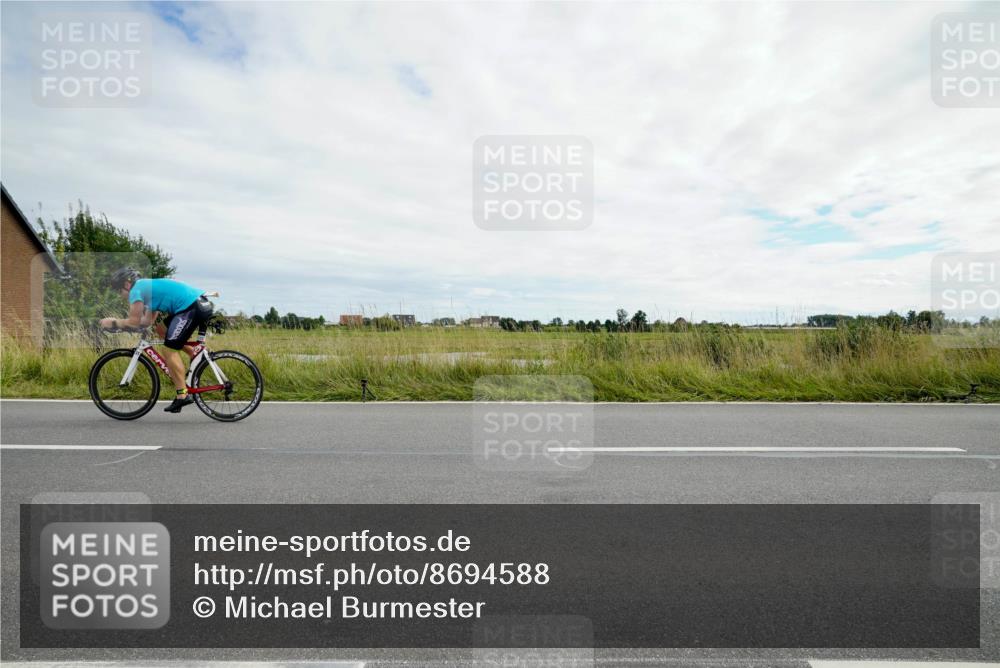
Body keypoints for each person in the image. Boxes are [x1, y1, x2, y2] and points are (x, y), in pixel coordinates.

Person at [100, 268, 214, 413]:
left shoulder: (136, 290)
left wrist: (114, 322)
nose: (120, 295)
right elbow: (147, 321)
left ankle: (182, 395)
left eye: (119, 290)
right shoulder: (146, 289)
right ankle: (193, 353)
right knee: (161, 330)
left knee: (168, 350)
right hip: (196, 304)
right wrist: (125, 326)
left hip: (191, 307)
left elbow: (134, 321)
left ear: (127, 285)